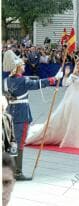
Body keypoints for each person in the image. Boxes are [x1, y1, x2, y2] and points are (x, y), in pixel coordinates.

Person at [3, 50, 60, 181]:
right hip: (22, 115)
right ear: (17, 68)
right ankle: (17, 172)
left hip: (9, 113)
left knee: (11, 143)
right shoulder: (23, 80)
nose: (24, 66)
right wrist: (55, 79)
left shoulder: (5, 81)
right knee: (20, 143)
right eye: (22, 65)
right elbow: (38, 84)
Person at [26, 58, 79, 148]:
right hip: (74, 99)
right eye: (77, 64)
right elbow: (65, 83)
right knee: (76, 118)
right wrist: (66, 75)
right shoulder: (74, 75)